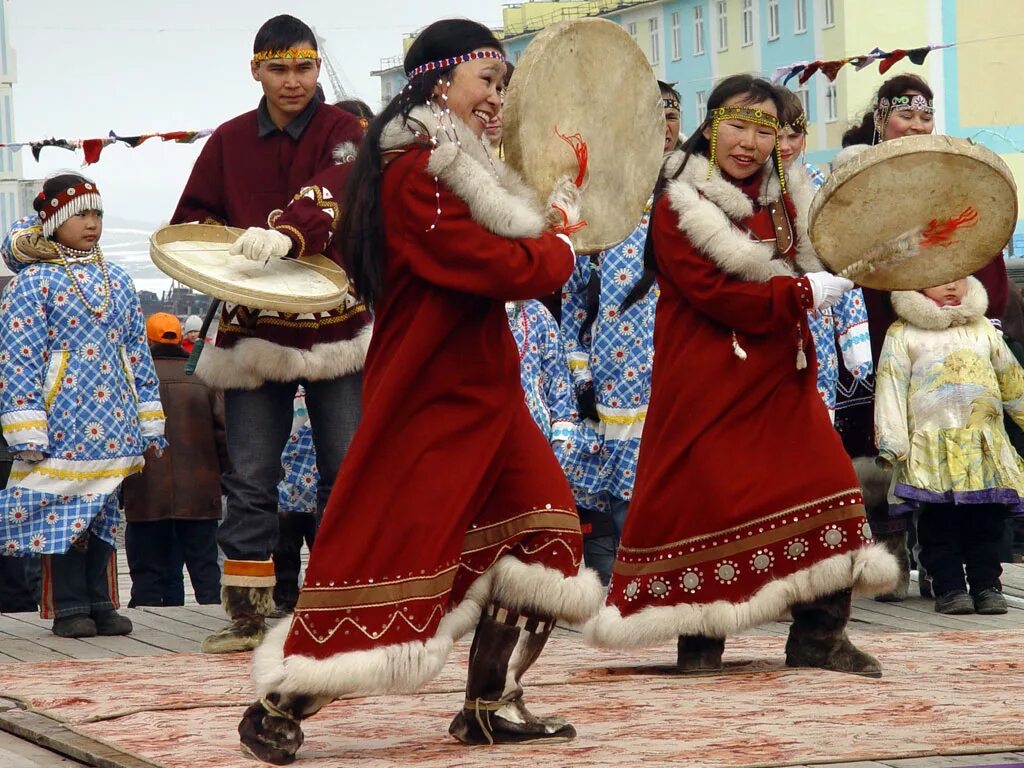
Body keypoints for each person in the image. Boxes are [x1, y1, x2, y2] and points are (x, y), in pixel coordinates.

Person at [237, 19, 603, 764]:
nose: (498, 99)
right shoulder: (416, 173)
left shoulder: (459, 163)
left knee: (545, 536)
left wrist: (546, 226)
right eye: (486, 82)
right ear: (440, 80)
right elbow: (498, 267)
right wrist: (558, 242)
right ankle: (280, 702)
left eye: (503, 84)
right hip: (431, 393)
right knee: (396, 552)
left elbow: (505, 253)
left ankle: (492, 706)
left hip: (485, 392)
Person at [584, 75, 897, 677]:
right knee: (707, 501)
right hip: (707, 379)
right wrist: (801, 292)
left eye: (764, 129)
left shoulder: (789, 195)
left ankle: (819, 637)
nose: (749, 141)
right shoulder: (681, 200)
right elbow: (714, 293)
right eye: (738, 124)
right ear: (712, 124)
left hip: (783, 375)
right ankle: (700, 644)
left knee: (826, 485)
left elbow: (831, 252)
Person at [170, 14, 369, 654]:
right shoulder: (227, 141)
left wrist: (289, 231)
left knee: (348, 472)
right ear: (255, 69)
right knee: (251, 474)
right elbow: (192, 224)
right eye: (279, 68)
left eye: (304, 67)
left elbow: (339, 194)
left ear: (317, 68)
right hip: (252, 329)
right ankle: (249, 613)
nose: (293, 81)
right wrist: (226, 247)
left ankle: (343, 604)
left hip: (337, 327)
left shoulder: (346, 132)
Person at [835, 73, 1011, 601]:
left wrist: (981, 307)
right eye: (905, 114)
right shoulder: (857, 184)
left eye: (925, 115)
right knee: (884, 440)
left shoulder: (956, 180)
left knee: (952, 441)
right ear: (880, 121)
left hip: (951, 333)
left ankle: (949, 569)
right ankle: (887, 561)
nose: (916, 124)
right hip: (881, 325)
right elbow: (844, 251)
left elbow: (983, 243)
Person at [0, 174, 166, 637]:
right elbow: (19, 355)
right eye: (80, 215)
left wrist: (149, 419)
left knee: (103, 516)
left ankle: (100, 601)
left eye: (97, 214)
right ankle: (70, 607)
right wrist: (26, 426)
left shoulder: (116, 277)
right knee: (63, 515)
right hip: (62, 421)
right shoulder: (33, 283)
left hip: (114, 420)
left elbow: (136, 350)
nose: (91, 224)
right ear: (53, 221)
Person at [559, 80, 681, 584]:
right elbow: (573, 298)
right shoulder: (598, 207)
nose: (662, 130)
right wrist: (581, 373)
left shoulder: (699, 193)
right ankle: (628, 577)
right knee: (621, 481)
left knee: (682, 472)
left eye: (670, 117)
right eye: (648, 119)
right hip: (616, 372)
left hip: (681, 360)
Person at [875, 276, 1024, 615]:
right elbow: (890, 387)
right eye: (939, 280)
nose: (951, 286)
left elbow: (1012, 380)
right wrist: (892, 440)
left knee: (986, 522)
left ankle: (988, 586)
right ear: (917, 287)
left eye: (958, 278)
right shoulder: (903, 334)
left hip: (982, 447)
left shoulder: (984, 329)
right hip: (932, 450)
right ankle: (950, 588)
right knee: (938, 525)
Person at [776, 87, 872, 425]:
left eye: (794, 135)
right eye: (776, 135)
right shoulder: (745, 188)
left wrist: (853, 336)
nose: (786, 146)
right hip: (764, 321)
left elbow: (845, 261)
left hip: (817, 324)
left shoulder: (821, 184)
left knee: (816, 425)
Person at [121, 312, 227, 607]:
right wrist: (227, 479)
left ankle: (147, 636)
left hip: (145, 492)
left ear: (146, 340)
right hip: (200, 494)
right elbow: (224, 435)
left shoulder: (131, 379)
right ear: (180, 338)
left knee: (147, 577)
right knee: (206, 574)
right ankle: (213, 626)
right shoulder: (204, 377)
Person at [271, 387, 318, 615]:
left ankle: (292, 597)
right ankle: (289, 597)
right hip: (295, 485)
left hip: (302, 484)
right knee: (286, 547)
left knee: (291, 547)